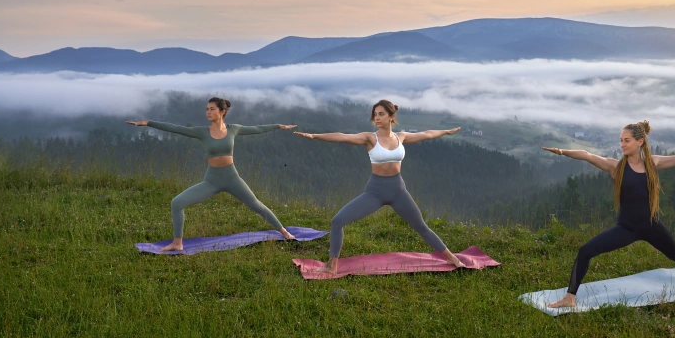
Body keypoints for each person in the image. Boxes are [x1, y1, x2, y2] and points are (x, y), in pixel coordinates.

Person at [542, 121, 675, 308]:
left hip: (651, 226)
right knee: (585, 251)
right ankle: (569, 298)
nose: (622, 144)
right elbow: (587, 155)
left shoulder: (653, 163)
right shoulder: (616, 167)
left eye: (627, 140)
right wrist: (560, 151)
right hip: (626, 228)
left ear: (640, 142)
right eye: (621, 140)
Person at [294, 99, 466, 274]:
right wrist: (315, 136)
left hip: (399, 191)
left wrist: (446, 131)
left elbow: (427, 134)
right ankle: (332, 266)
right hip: (375, 192)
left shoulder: (401, 137)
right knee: (337, 221)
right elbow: (342, 136)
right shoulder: (370, 138)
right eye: (375, 114)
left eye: (381, 114)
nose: (377, 118)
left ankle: (453, 258)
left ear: (391, 116)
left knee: (421, 226)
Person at [126, 97, 297, 251]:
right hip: (212, 181)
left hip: (232, 178)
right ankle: (177, 243)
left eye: (212, 109)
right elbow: (175, 128)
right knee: (176, 203)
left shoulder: (234, 129)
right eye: (207, 109)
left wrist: (278, 126)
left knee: (256, 205)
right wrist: (148, 122)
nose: (208, 112)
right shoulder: (202, 132)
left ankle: (284, 232)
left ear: (222, 112)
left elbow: (257, 128)